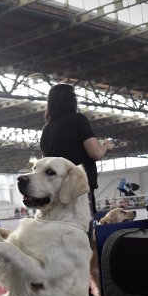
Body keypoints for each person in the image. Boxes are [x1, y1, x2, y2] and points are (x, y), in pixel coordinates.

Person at [39, 83, 114, 214]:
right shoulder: (78, 120)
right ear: (72, 100)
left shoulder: (47, 128)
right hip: (78, 187)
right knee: (82, 228)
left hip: (56, 188)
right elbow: (95, 153)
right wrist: (105, 146)